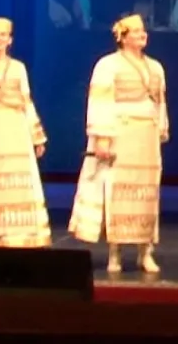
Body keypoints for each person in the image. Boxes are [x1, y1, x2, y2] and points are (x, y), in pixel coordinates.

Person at [68, 14, 169, 273]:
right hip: (120, 133)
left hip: (145, 136)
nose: (142, 34)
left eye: (143, 30)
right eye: (135, 31)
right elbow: (100, 102)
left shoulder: (155, 67)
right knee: (117, 191)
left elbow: (160, 101)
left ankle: (145, 251)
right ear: (122, 37)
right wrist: (102, 137)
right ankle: (115, 252)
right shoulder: (108, 65)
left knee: (146, 193)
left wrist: (161, 127)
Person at [0, 17, 51, 248]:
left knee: (19, 181)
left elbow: (26, 102)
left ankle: (20, 235)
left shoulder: (18, 68)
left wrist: (37, 136)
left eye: (3, 35)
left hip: (16, 128)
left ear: (10, 40)